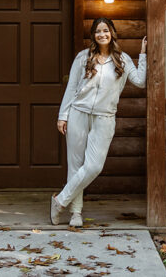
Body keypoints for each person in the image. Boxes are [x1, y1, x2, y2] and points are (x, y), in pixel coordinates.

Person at [52, 18, 146, 227]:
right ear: (93, 35)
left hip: (105, 117)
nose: (102, 34)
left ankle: (60, 201)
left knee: (94, 166)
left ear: (112, 33)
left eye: (106, 30)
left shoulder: (122, 60)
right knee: (75, 165)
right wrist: (63, 115)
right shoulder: (83, 58)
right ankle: (76, 213)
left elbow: (140, 81)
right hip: (78, 113)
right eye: (98, 31)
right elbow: (72, 88)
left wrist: (143, 54)